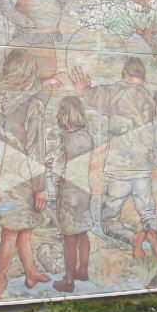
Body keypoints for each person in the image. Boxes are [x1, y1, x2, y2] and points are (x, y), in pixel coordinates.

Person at [70, 57, 157, 260]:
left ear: (124, 75)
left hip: (118, 170)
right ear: (143, 78)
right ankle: (153, 234)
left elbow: (94, 96)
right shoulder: (149, 100)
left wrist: (83, 89)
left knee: (108, 220)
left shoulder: (115, 92)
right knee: (147, 210)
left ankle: (132, 238)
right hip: (142, 168)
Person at [0, 49, 49, 301]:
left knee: (22, 230)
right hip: (25, 177)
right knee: (11, 233)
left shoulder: (2, 100)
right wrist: (40, 187)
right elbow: (36, 149)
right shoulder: (33, 105)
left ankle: (30, 273)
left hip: (6, 174)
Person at [46, 96, 94, 293]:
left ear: (63, 115)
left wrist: (54, 188)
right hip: (84, 190)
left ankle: (68, 280)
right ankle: (83, 270)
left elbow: (58, 170)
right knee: (82, 232)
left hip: (68, 192)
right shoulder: (87, 137)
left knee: (69, 238)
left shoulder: (63, 139)